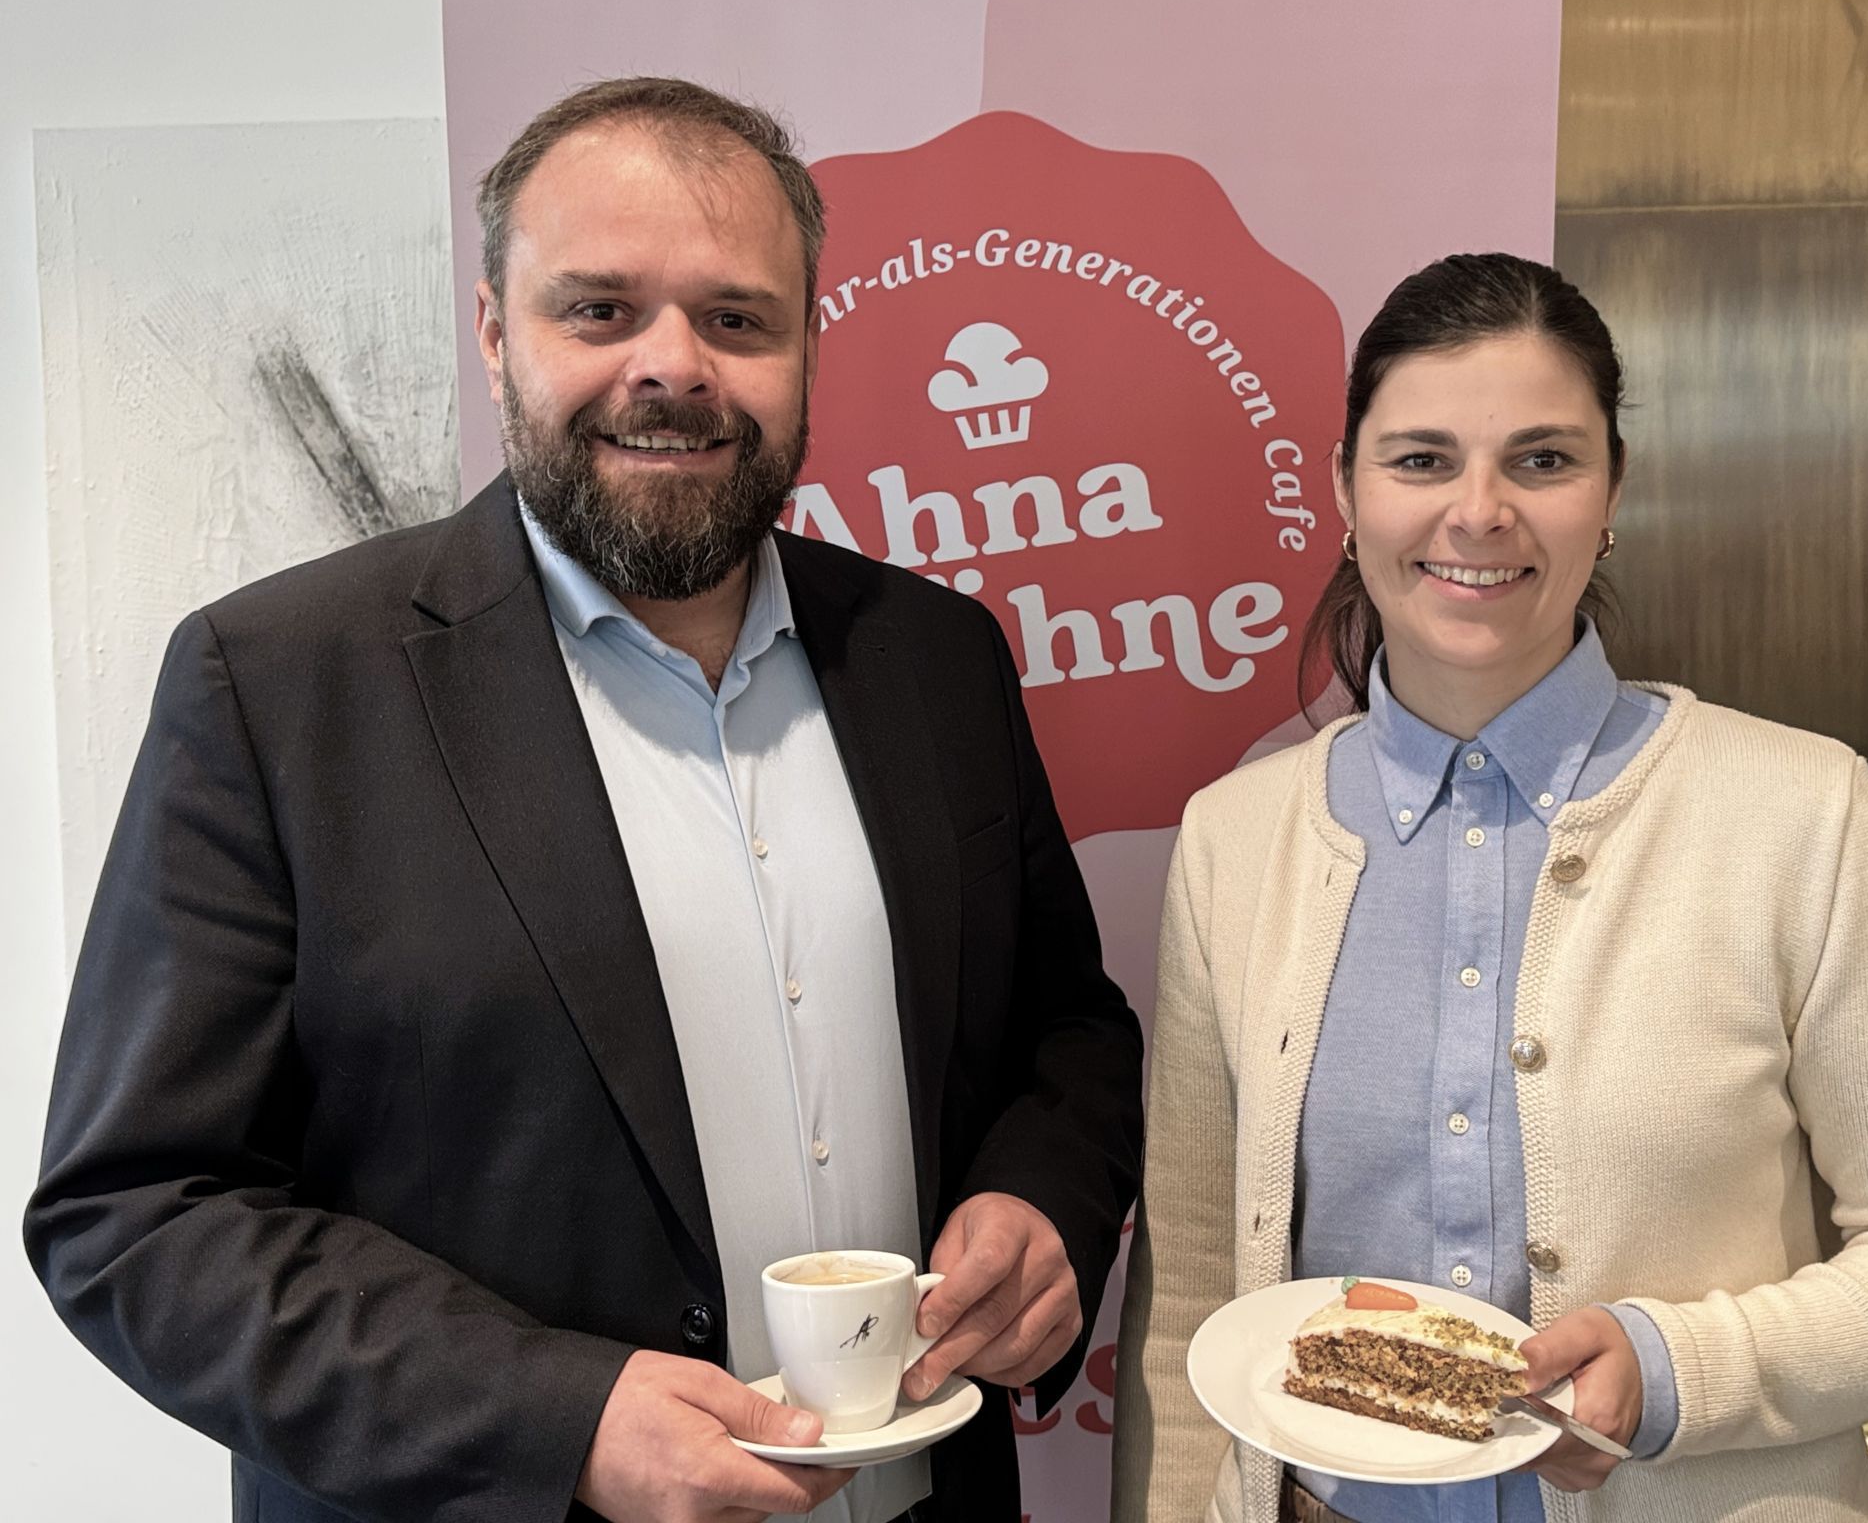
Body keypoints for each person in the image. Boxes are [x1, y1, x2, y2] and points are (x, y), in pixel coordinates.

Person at [26, 77, 1144, 1523]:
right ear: (497, 334)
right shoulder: (280, 683)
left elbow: (1067, 1026)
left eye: (737, 319)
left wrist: (1046, 1206)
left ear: (808, 346)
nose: (673, 367)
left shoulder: (935, 658)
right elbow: (138, 1216)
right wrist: (559, 1419)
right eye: (600, 311)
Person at [1110, 252, 1868, 1522]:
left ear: (1611, 493)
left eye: (1541, 460)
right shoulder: (1234, 839)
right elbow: (1190, 1298)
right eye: (1420, 459)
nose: (1478, 512)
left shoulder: (1803, 816)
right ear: (1343, 490)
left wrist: (1677, 1372)